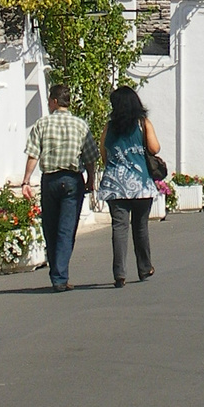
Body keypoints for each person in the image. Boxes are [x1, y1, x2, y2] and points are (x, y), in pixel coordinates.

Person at [21, 83, 99, 292]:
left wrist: (26, 180)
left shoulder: (42, 124)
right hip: (73, 179)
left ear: (55, 101)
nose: (48, 103)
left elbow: (33, 154)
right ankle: (60, 275)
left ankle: (56, 271)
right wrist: (91, 179)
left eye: (49, 100)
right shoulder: (80, 125)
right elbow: (90, 156)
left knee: (50, 226)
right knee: (66, 228)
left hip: (51, 179)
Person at [97, 85, 160, 287]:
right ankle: (144, 267)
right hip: (141, 184)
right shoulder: (143, 123)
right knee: (140, 227)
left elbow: (103, 152)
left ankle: (119, 273)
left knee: (119, 227)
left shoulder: (109, 126)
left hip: (115, 184)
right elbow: (154, 147)